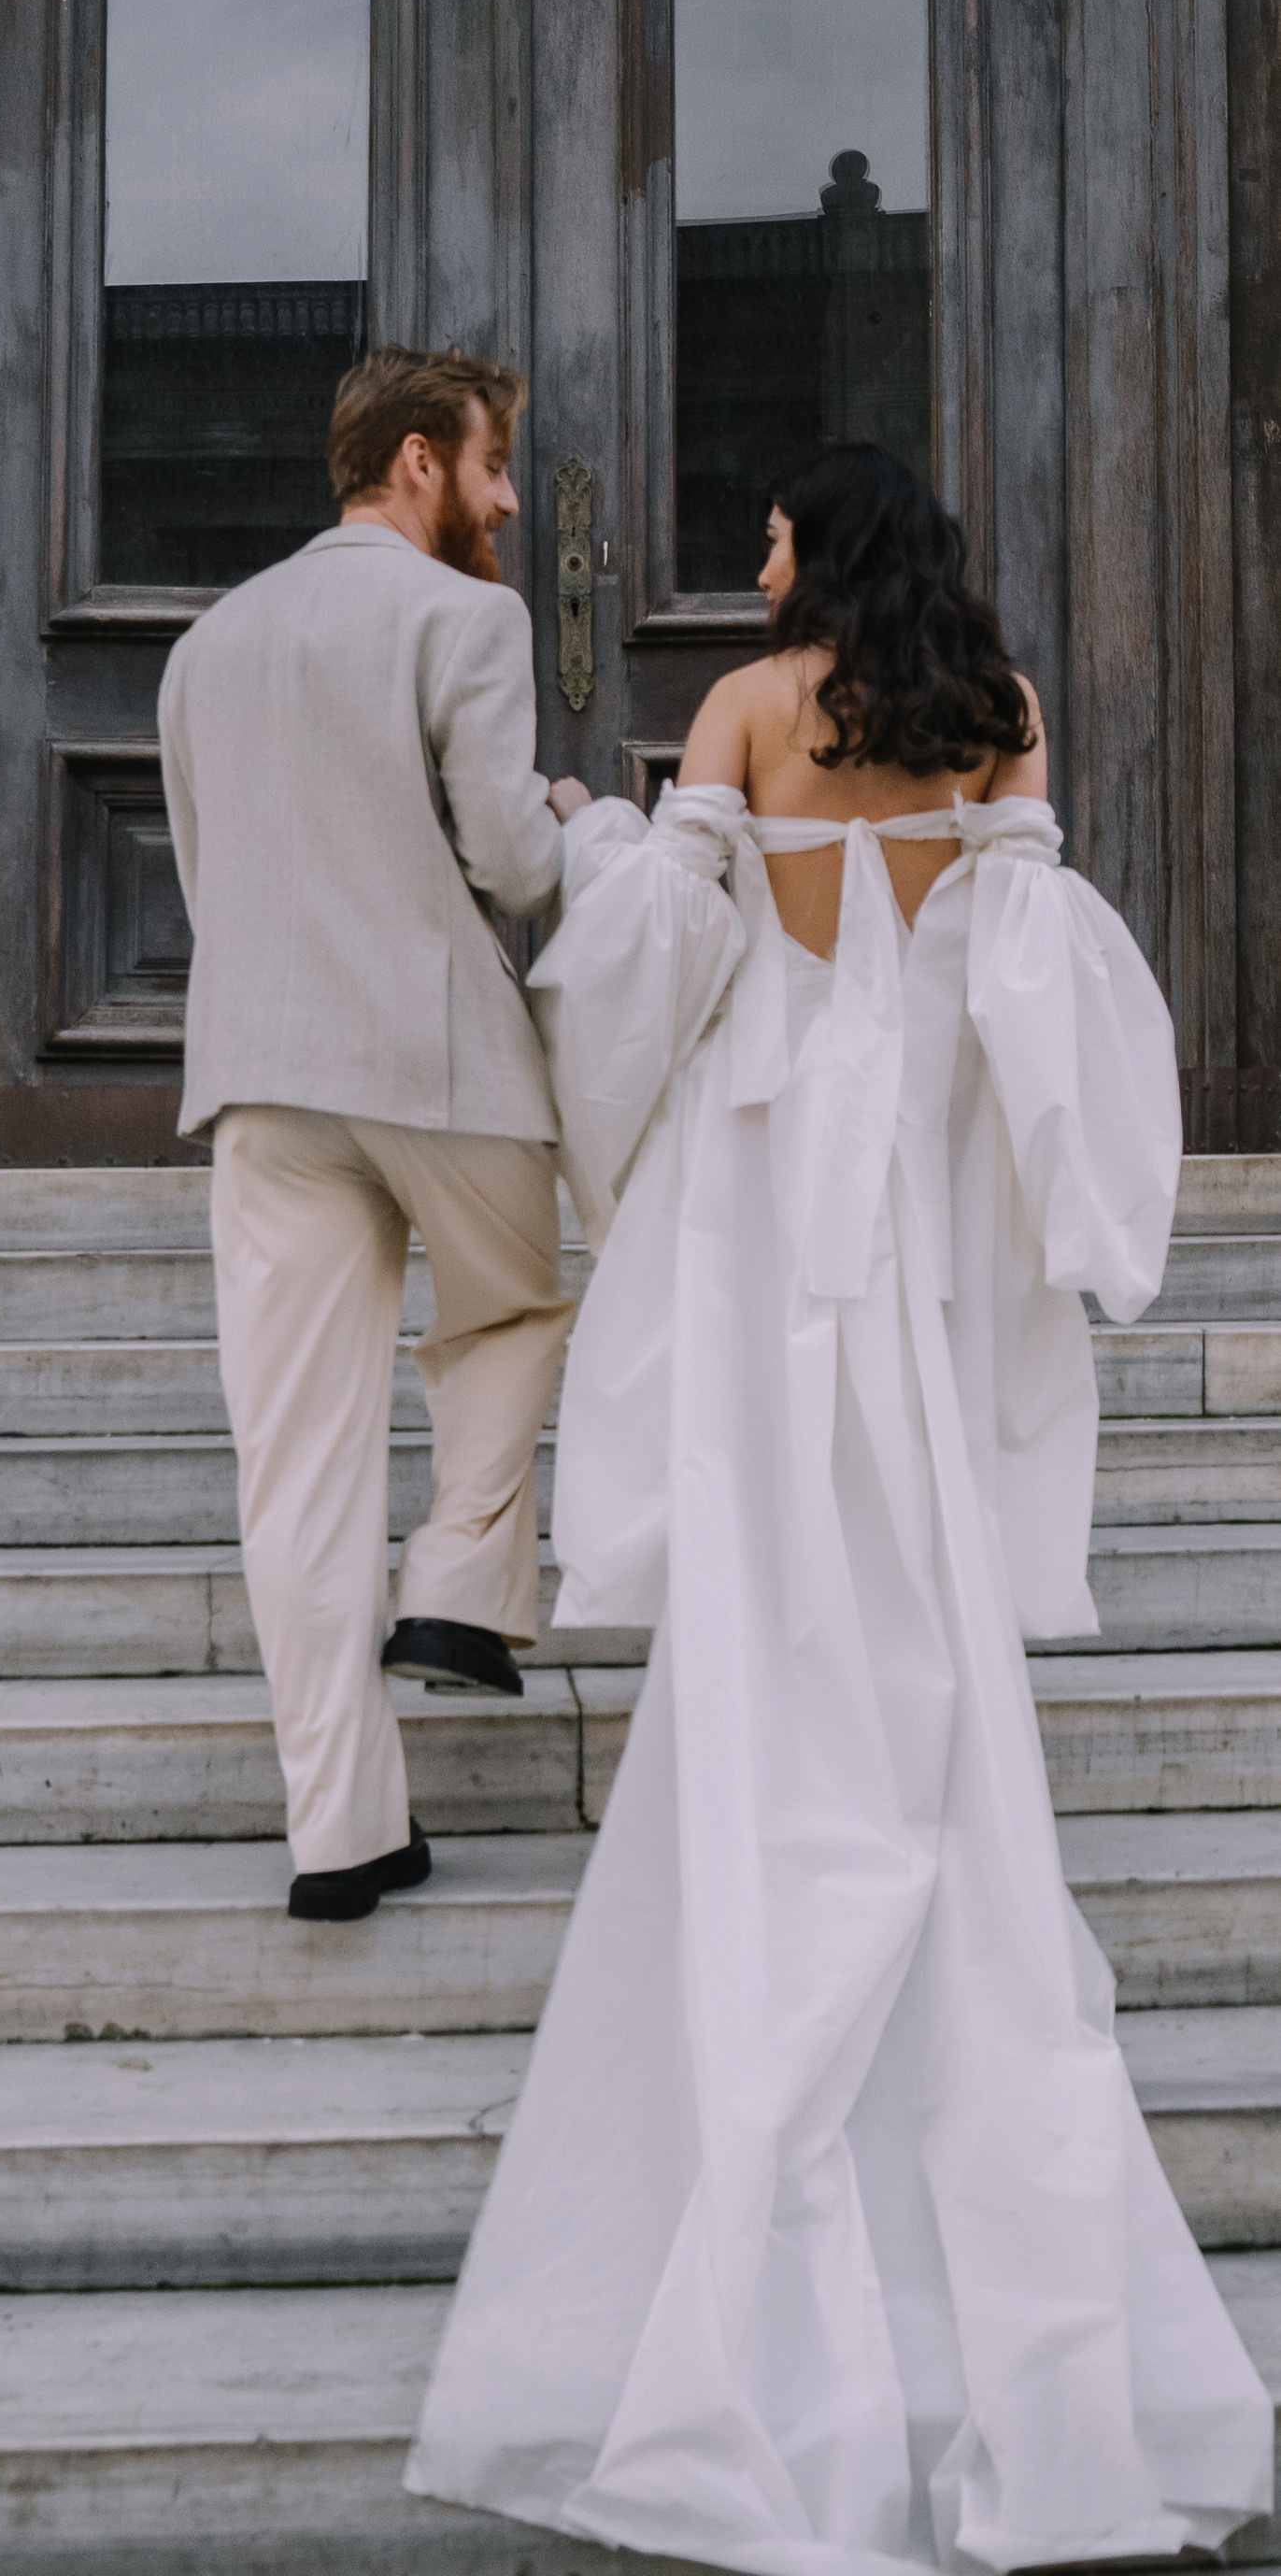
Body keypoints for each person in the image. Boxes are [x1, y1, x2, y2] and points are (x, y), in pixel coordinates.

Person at [409, 440, 1273, 2574]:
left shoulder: (741, 705)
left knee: (769, 1497)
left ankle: (795, 1768)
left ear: (822, 547)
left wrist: (606, 885)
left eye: (777, 531)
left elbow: (655, 960)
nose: (760, 554)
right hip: (915, 1186)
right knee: (911, 1510)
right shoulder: (998, 708)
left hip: (764, 1160)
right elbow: (1029, 974)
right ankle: (899, 1743)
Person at [159, 345, 616, 1924]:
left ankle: (342, 1836)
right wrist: (568, 821)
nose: (509, 502)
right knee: (511, 1311)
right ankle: (461, 1588)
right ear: (419, 460)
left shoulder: (205, 646)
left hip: (265, 1075)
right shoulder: (465, 617)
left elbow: (209, 877)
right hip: (439, 1062)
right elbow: (510, 861)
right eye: (495, 467)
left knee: (295, 1466)